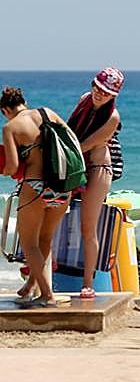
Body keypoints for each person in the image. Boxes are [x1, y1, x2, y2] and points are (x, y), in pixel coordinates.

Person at [1, 87, 72, 307]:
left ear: (5, 110)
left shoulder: (10, 127)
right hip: (62, 186)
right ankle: (31, 285)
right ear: (24, 102)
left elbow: (12, 167)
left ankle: (48, 295)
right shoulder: (48, 113)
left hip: (35, 188)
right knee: (44, 240)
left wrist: (3, 170)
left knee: (30, 244)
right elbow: (71, 142)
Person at [66, 67, 124, 299]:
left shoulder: (112, 117)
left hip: (97, 169)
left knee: (87, 227)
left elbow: (86, 144)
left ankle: (88, 283)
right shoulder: (83, 100)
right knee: (51, 218)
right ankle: (37, 277)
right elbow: (71, 131)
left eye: (106, 92)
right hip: (74, 164)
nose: (99, 93)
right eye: (98, 88)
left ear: (114, 96)